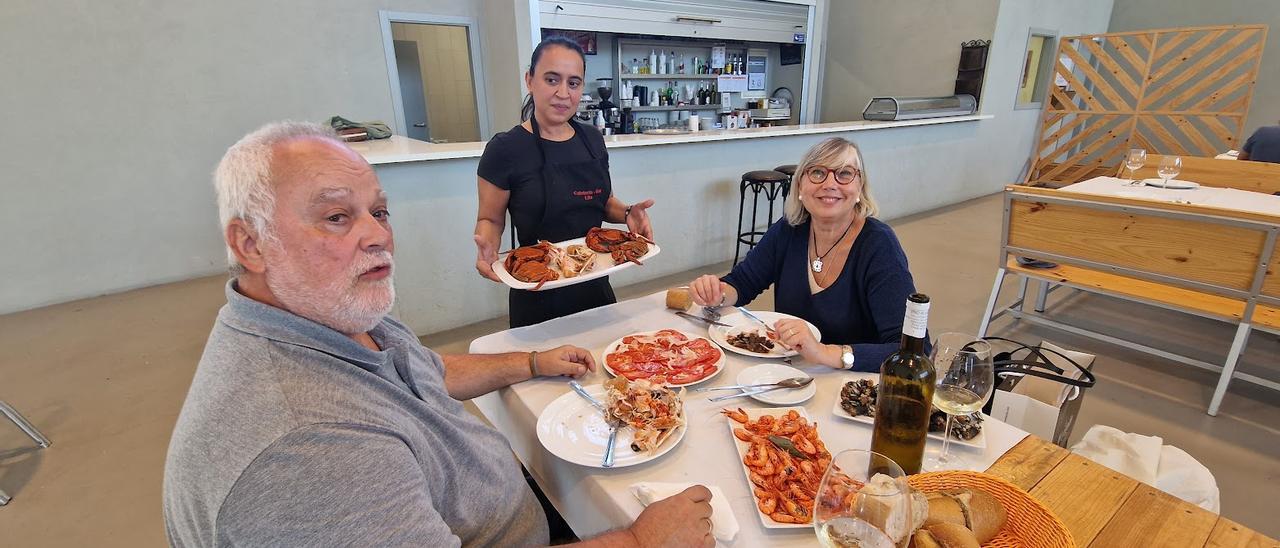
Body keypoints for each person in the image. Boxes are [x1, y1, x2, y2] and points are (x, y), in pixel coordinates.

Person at [163, 121, 714, 548]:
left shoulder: (333, 317)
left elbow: (417, 371)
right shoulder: (304, 449)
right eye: (336, 217)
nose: (378, 235)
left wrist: (528, 364)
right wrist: (640, 540)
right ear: (251, 244)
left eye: (379, 210)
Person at [687, 138, 918, 372]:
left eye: (844, 174)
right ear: (800, 186)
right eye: (817, 173)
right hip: (788, 377)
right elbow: (743, 283)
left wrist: (825, 352)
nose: (830, 184)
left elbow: (911, 351)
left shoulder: (878, 245)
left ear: (860, 187)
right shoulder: (790, 230)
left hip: (851, 386)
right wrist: (717, 293)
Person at [474, 36, 655, 328]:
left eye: (573, 83)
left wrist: (625, 213)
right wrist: (487, 246)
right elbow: (490, 219)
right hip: (537, 287)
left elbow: (601, 200)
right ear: (530, 80)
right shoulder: (505, 150)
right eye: (551, 79)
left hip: (595, 281)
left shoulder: (592, 140)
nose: (563, 92)